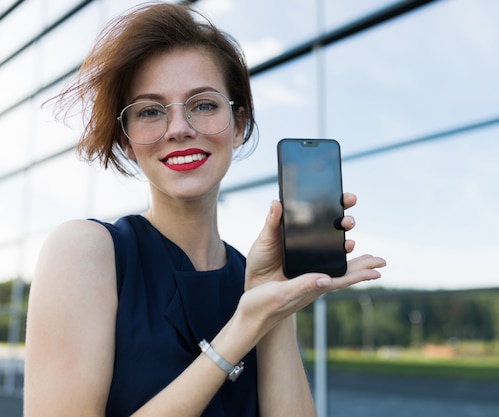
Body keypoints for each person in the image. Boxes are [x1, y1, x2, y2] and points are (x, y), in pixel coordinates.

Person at [23, 3, 386, 417]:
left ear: (240, 125)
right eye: (150, 111)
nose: (179, 128)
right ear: (126, 141)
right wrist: (244, 327)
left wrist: (276, 306)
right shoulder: (84, 251)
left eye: (203, 104)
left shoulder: (254, 276)